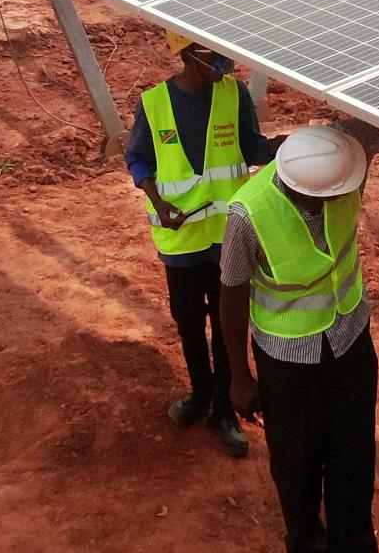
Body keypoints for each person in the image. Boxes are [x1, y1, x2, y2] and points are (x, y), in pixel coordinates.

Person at [222, 120, 379, 553]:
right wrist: (239, 376)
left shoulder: (343, 162)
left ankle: (352, 539)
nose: (351, 190)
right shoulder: (249, 214)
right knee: (297, 464)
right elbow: (232, 294)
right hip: (288, 362)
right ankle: (305, 540)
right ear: (311, 192)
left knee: (353, 455)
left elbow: (375, 126)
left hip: (351, 341)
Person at [124, 31, 275, 459]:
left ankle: (224, 411)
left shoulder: (235, 94)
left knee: (229, 325)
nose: (227, 64)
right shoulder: (153, 104)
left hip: (227, 239)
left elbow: (251, 146)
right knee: (189, 322)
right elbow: (139, 159)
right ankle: (199, 394)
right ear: (188, 54)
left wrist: (276, 149)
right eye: (217, 57)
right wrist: (155, 197)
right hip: (181, 241)